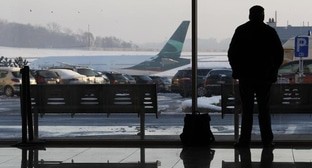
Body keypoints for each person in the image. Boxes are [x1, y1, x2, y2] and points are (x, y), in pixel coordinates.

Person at [228, 5, 284, 148]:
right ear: (262, 16)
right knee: (264, 110)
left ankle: (244, 141)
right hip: (264, 77)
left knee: (247, 110)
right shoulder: (269, 32)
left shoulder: (241, 30)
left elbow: (232, 53)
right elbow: (279, 54)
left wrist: (236, 71)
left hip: (246, 77)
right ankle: (267, 140)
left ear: (250, 15)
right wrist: (273, 72)